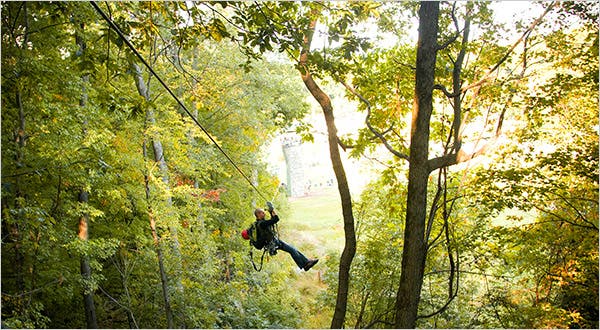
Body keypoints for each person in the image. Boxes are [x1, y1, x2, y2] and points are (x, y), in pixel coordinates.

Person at [242, 204, 319, 271]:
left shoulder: (259, 224)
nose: (264, 213)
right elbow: (276, 219)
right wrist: (272, 210)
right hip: (274, 243)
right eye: (262, 212)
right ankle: (305, 264)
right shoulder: (262, 224)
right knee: (292, 250)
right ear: (258, 214)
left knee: (292, 249)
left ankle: (306, 263)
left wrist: (271, 211)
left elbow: (272, 220)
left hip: (272, 243)